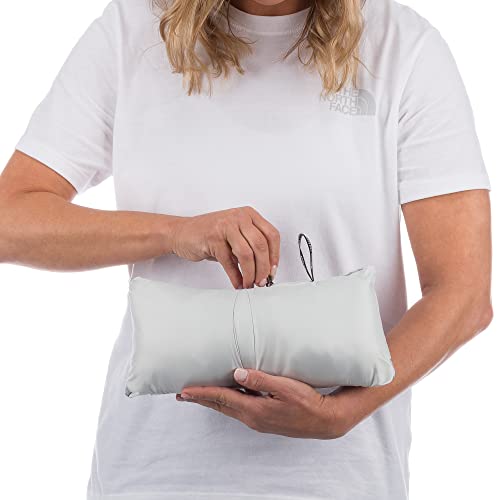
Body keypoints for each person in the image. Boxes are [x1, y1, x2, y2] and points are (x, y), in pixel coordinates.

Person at [0, 0, 493, 499]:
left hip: (339, 480)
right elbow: (10, 222)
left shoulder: (403, 47)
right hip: (152, 474)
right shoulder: (132, 32)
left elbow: (464, 294)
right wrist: (174, 233)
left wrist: (345, 412)